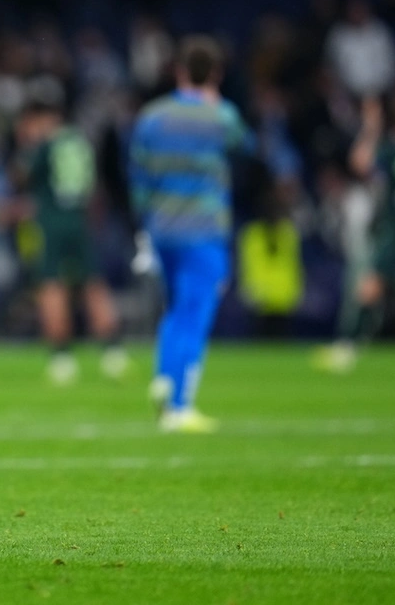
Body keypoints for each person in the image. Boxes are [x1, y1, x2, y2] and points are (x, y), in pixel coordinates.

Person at [129, 35, 252, 434]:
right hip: (204, 231)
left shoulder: (151, 117)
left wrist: (145, 224)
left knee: (174, 310)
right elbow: (247, 147)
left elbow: (139, 179)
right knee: (195, 314)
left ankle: (165, 377)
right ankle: (180, 405)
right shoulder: (222, 117)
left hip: (162, 230)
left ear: (178, 70)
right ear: (215, 73)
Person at [317, 96, 395, 380]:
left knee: (371, 284)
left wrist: (371, 126)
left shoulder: (393, 148)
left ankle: (348, 347)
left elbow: (359, 162)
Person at [17, 99, 125, 385]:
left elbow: (23, 175)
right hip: (80, 219)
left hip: (52, 222)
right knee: (93, 283)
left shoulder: (45, 144)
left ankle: (61, 357)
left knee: (51, 285)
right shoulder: (79, 141)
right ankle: (113, 353)